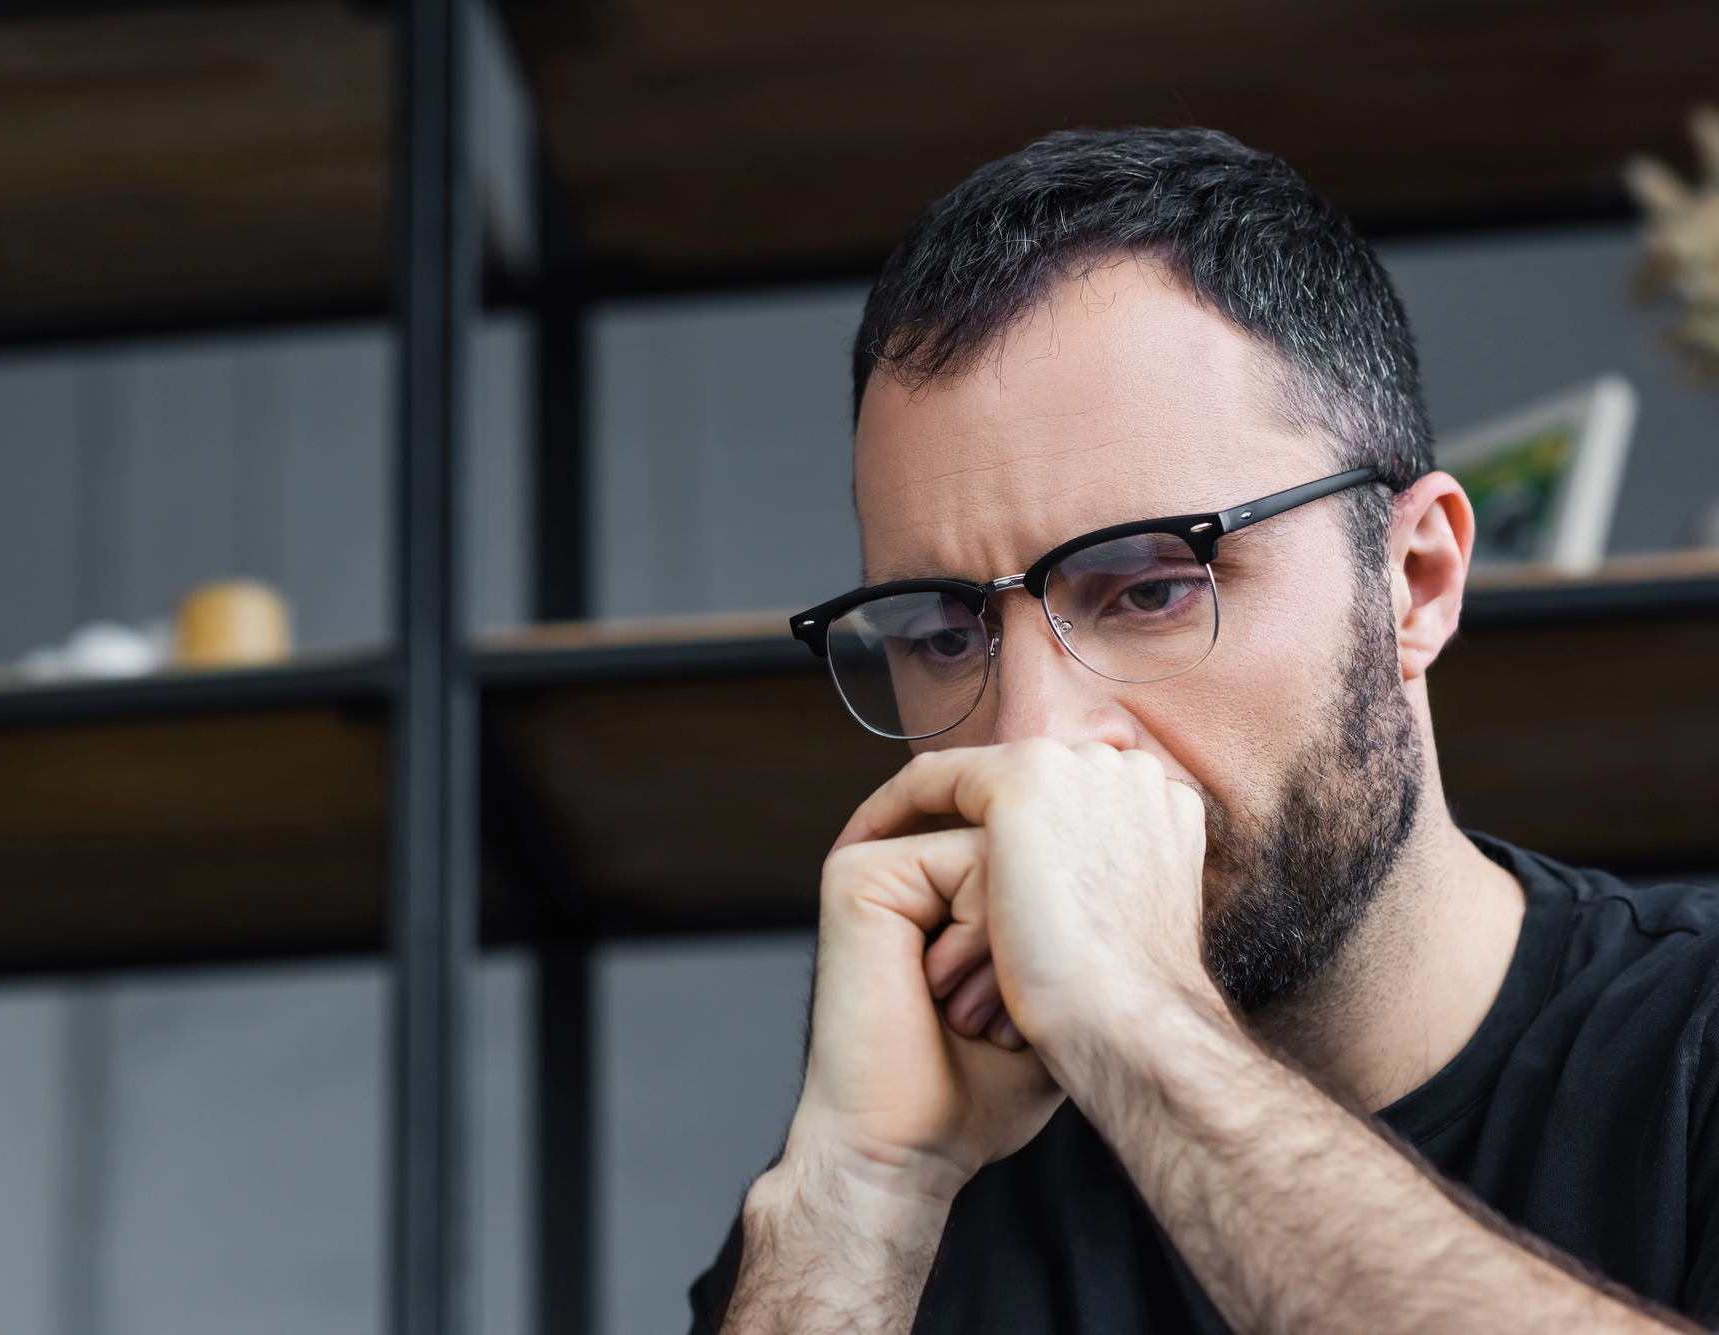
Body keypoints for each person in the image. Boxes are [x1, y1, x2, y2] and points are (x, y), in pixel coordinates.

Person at [687, 127, 1719, 1334]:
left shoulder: (1689, 1055)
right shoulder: (902, 1194)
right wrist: (858, 1196)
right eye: (943, 634)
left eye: (1149, 590)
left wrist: (1143, 1034)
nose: (1033, 743)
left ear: (1415, 579)